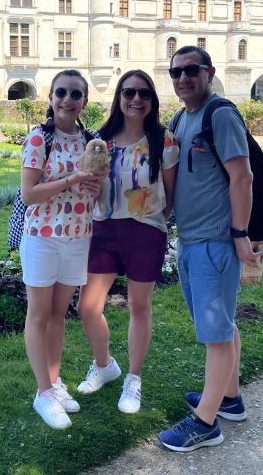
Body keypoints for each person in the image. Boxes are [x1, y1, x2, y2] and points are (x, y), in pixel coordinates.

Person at [157, 46, 263, 452]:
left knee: (216, 332)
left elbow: (242, 178)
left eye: (191, 70)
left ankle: (205, 424)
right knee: (222, 323)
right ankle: (230, 399)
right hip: (191, 238)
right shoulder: (182, 118)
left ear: (209, 72)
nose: (183, 78)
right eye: (176, 72)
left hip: (216, 241)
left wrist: (239, 234)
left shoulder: (221, 115)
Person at [76, 70, 178, 413]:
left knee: (139, 306)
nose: (136, 100)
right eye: (129, 93)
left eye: (144, 94)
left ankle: (133, 379)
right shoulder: (99, 140)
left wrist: (157, 222)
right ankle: (105, 366)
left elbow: (171, 190)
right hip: (104, 229)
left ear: (152, 100)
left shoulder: (163, 141)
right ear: (119, 97)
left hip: (144, 231)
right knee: (87, 307)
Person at [19, 69, 103, 430]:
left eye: (75, 94)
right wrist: (71, 180)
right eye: (61, 93)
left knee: (58, 315)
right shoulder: (40, 139)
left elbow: (98, 191)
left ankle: (54, 383)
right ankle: (43, 393)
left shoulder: (91, 141)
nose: (67, 100)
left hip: (77, 236)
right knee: (38, 315)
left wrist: (96, 189)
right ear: (50, 99)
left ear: (85, 100)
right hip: (43, 236)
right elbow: (29, 194)